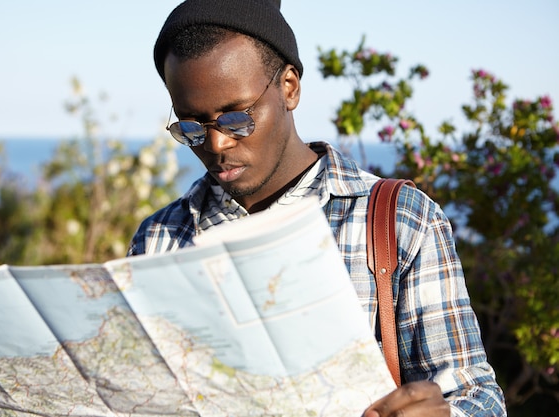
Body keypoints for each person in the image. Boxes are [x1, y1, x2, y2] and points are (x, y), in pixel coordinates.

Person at [127, 0, 508, 416]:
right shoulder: (159, 239)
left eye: (236, 119)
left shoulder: (399, 220)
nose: (216, 145)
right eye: (191, 127)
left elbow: (479, 396)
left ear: (289, 88)